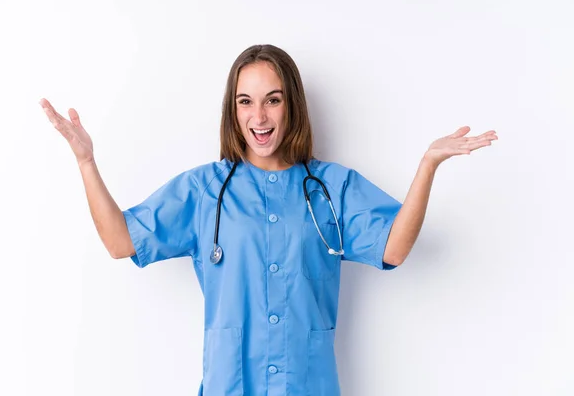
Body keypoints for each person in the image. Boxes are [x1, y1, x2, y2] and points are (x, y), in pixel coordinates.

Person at [40, 44, 497, 396]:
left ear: (291, 105)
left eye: (272, 100)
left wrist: (427, 165)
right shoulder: (204, 190)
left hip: (307, 383)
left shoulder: (330, 186)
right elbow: (122, 241)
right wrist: (86, 163)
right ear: (233, 111)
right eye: (245, 101)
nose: (259, 116)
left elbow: (393, 247)